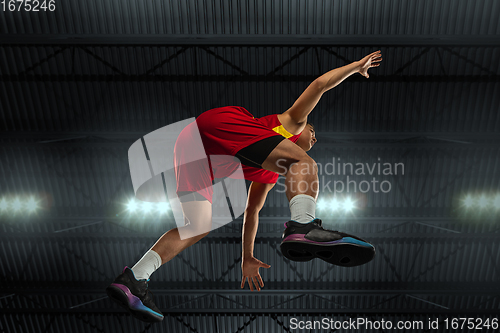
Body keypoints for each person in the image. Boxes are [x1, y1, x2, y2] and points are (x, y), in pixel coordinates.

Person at [106, 50, 382, 323]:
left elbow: (252, 212)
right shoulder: (292, 124)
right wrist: (355, 67)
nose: (315, 137)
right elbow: (320, 85)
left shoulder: (267, 172)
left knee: (197, 225)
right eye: (314, 132)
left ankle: (135, 277)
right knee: (305, 162)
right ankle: (304, 224)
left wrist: (247, 257)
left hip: (192, 147)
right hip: (220, 125)